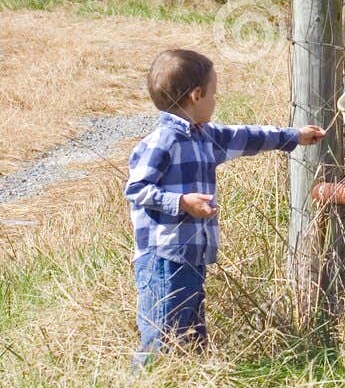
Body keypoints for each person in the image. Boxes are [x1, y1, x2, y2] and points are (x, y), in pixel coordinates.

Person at [125, 47, 325, 364]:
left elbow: (245, 137)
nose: (216, 102)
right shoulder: (162, 142)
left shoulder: (205, 137)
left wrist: (294, 136)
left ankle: (188, 381)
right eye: (213, 95)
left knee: (191, 337)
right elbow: (137, 189)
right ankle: (143, 385)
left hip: (191, 257)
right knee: (160, 339)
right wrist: (181, 202)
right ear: (196, 95)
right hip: (162, 259)